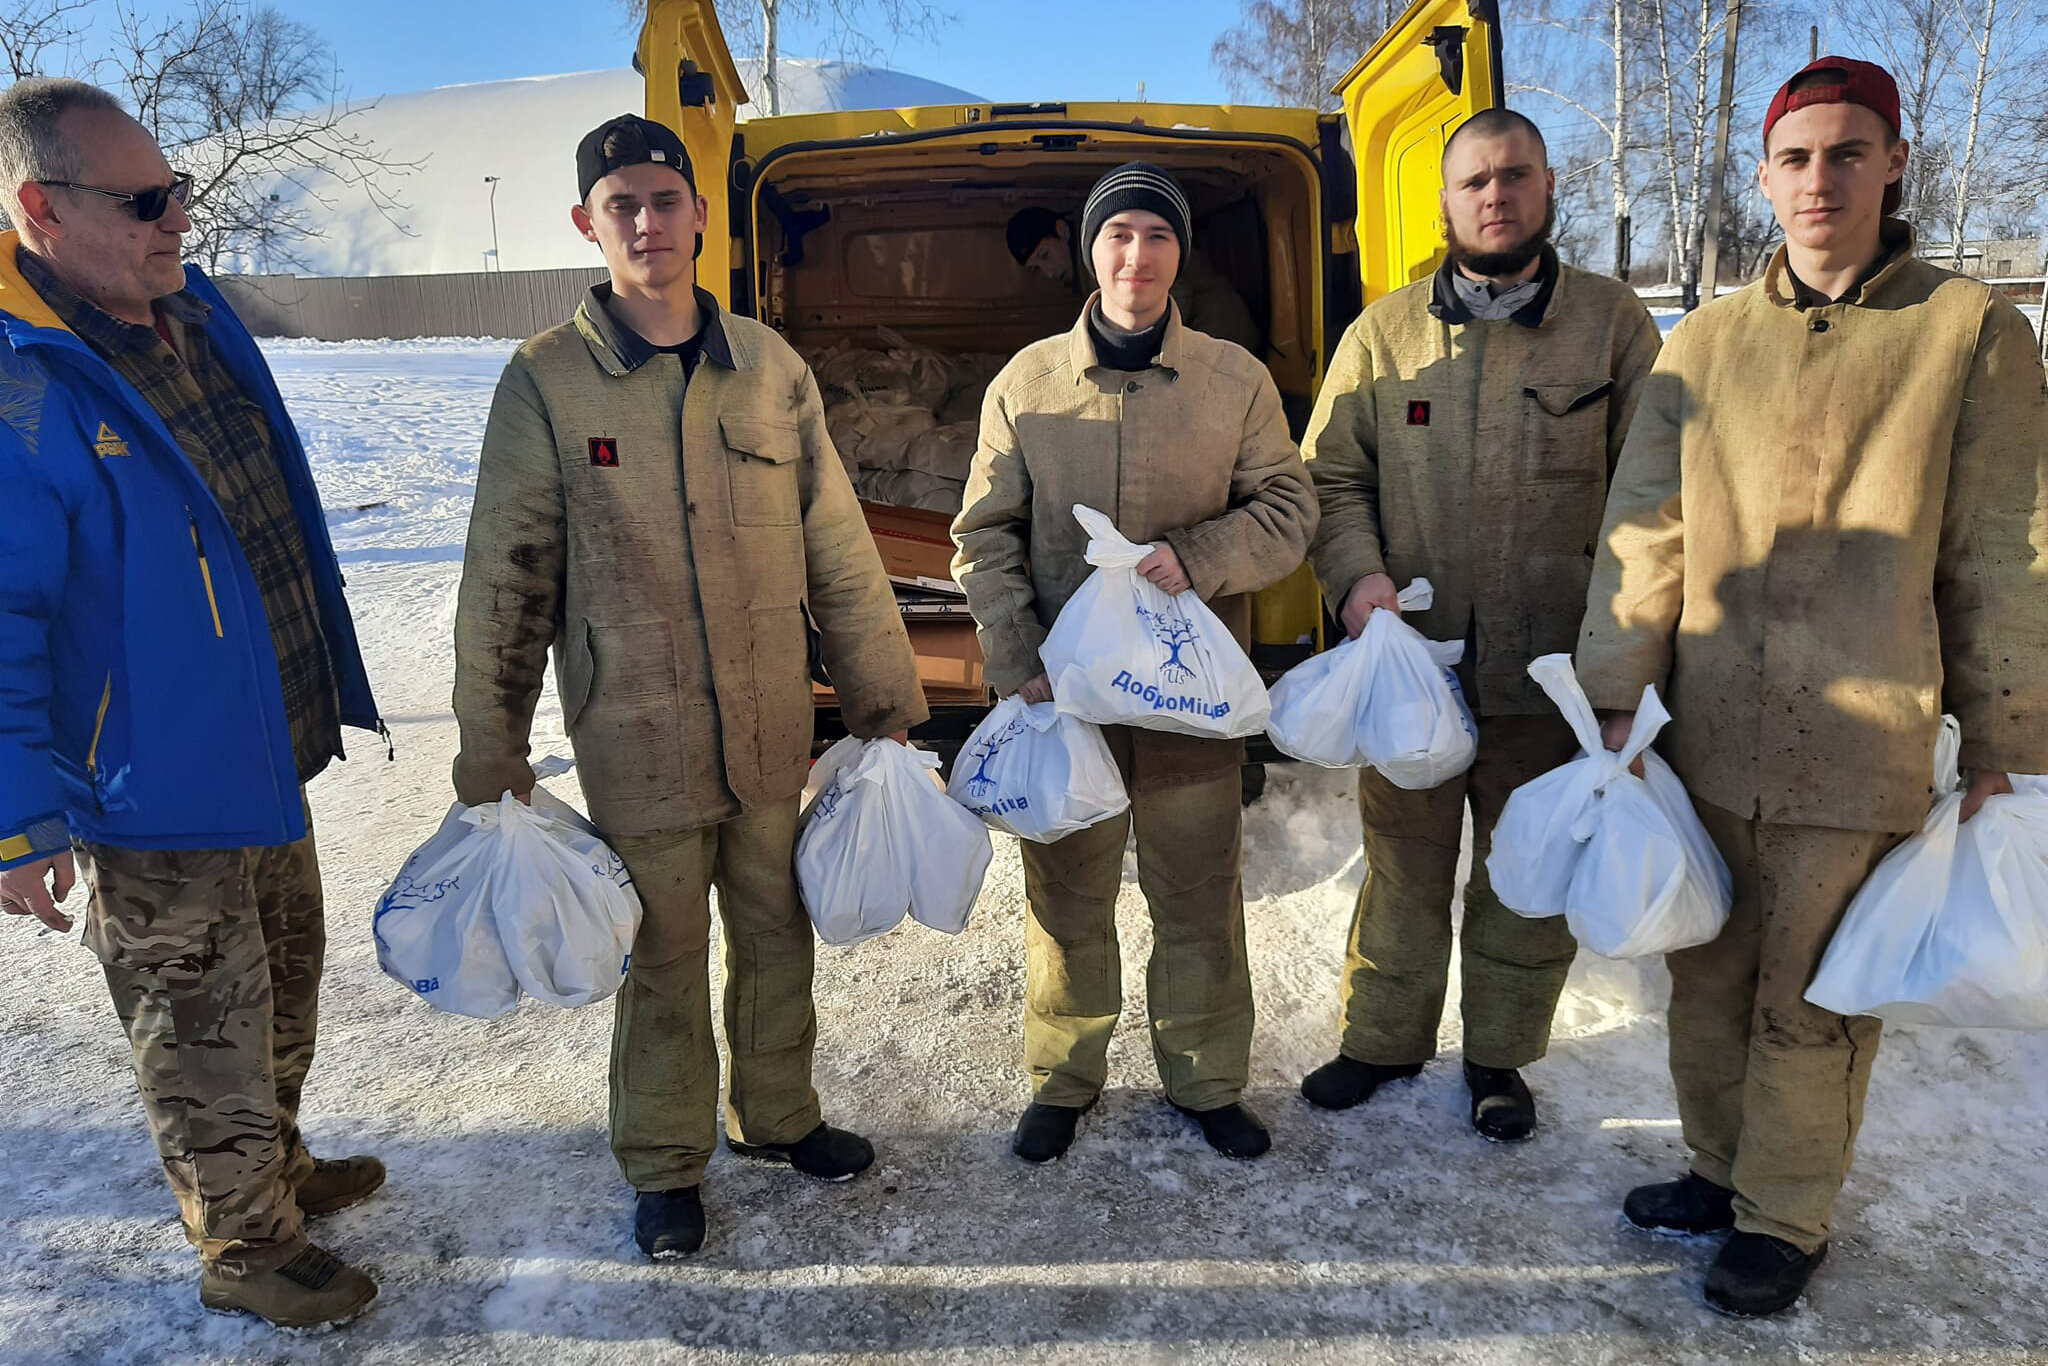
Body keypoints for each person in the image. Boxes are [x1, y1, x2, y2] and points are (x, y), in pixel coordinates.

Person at [1577, 57, 2048, 1316]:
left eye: (1845, 153)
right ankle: (1718, 1170)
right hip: (1710, 730)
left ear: (1894, 163)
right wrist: (1615, 690)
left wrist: (2008, 731)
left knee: (1810, 995)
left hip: (1859, 740)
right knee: (1706, 972)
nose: (1817, 180)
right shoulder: (1711, 340)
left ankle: (1784, 1217)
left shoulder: (1966, 334)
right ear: (1763, 177)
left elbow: (2003, 544)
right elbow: (1646, 526)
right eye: (1793, 158)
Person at [451, 114, 928, 1261]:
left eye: (666, 199)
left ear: (702, 214)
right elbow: (505, 573)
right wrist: (491, 742)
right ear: (587, 224)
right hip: (637, 736)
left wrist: (881, 695)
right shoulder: (547, 382)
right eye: (622, 204)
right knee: (660, 955)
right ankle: (665, 1163)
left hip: (767, 725)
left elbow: (837, 547)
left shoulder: (769, 369)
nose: (648, 223)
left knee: (775, 931)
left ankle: (779, 1117)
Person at [0, 79, 386, 1329]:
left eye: (181, 192)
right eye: (144, 200)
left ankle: (271, 1174)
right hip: (149, 782)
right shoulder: (20, 384)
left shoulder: (187, 312)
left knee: (284, 980)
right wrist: (17, 818)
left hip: (260, 744)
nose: (179, 221)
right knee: (199, 1020)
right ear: (38, 211)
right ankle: (244, 1245)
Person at [1297, 109, 1662, 1141]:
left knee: (1524, 872)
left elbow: (1653, 502)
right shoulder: (1384, 333)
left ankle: (1498, 1054)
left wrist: (1620, 667)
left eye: (1513, 176)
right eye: (1472, 181)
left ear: (1547, 187)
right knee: (1400, 866)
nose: (1493, 196)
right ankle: (1379, 1038)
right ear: (1446, 199)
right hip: (1408, 669)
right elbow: (1330, 475)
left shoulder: (1609, 326)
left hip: (1549, 677)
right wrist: (1356, 578)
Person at [957, 163, 1318, 1164]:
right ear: (1089, 249)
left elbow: (1288, 510)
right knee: (1064, 891)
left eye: (1156, 236)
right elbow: (981, 536)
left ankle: (1204, 1078)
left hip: (1184, 695)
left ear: (1178, 254)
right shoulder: (1026, 386)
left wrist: (1196, 558)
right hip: (1065, 697)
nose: (1136, 255)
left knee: (1198, 889)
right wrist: (1016, 655)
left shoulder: (1230, 380)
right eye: (1117, 234)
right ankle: (1062, 1077)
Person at [1006, 204, 1264, 354]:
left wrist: (1138, 354)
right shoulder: (1089, 261)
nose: (1049, 272)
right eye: (1037, 268)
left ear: (1062, 230)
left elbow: (1175, 294)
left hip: (1222, 337)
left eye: (1045, 255)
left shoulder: (1107, 247)